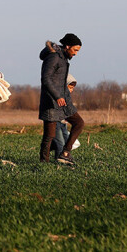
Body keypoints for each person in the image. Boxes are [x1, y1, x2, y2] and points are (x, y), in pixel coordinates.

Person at [39, 33, 85, 165]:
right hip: (51, 101)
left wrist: (63, 96)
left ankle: (65, 153)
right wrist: (57, 96)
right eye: (75, 50)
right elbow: (46, 79)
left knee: (79, 123)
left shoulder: (62, 58)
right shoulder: (53, 57)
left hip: (64, 101)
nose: (76, 54)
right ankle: (43, 164)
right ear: (67, 46)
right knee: (49, 136)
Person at [52, 74, 80, 159]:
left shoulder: (66, 96)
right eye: (70, 88)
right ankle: (59, 161)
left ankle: (61, 156)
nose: (71, 90)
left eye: (72, 88)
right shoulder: (57, 95)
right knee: (60, 143)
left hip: (63, 123)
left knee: (65, 140)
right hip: (56, 122)